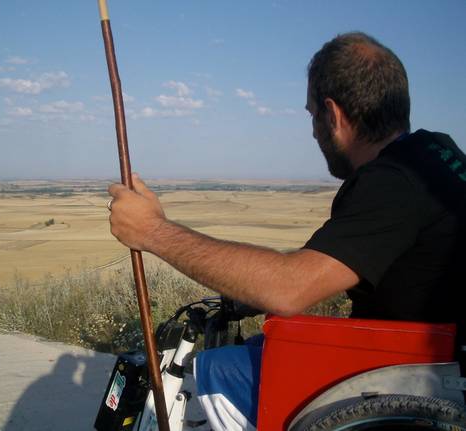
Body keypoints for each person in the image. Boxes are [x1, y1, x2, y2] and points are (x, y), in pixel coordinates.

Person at [107, 32, 465, 430]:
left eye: (312, 115)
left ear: (333, 115)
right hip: (432, 356)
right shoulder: (436, 154)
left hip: (409, 372)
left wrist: (153, 231)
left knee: (220, 369)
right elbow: (348, 254)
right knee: (266, 345)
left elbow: (289, 289)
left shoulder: (394, 181)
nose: (313, 131)